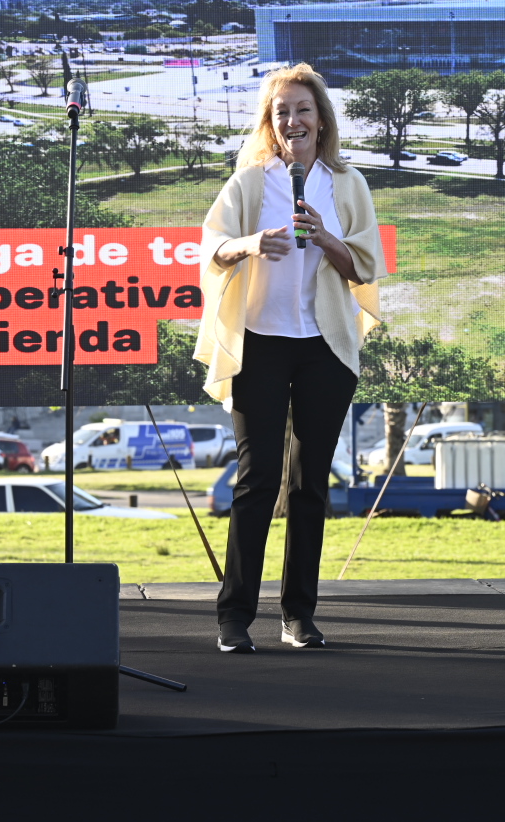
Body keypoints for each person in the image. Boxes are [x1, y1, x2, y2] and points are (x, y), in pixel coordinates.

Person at [195, 63, 387, 653]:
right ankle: (234, 619)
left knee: (309, 484)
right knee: (256, 481)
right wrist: (250, 243)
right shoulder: (250, 183)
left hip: (324, 348)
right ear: (270, 124)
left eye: (303, 110)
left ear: (321, 118)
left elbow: (366, 269)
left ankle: (298, 614)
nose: (294, 121)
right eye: (283, 113)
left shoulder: (347, 183)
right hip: (261, 344)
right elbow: (211, 247)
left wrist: (327, 236)